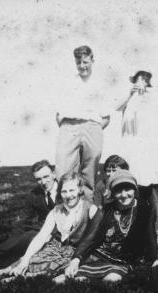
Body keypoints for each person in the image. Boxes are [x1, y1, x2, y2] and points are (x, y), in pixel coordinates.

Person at [0, 172, 102, 284]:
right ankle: (5, 270)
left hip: (77, 251)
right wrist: (26, 259)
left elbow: (90, 239)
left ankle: (19, 279)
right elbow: (42, 236)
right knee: (31, 259)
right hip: (57, 247)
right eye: (64, 191)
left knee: (51, 266)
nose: (68, 195)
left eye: (72, 190)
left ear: (80, 190)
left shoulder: (90, 209)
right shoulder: (56, 210)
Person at [55, 170, 154, 284]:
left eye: (128, 189)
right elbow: (91, 236)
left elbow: (151, 237)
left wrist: (155, 258)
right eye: (118, 191)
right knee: (74, 279)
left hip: (124, 259)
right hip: (100, 255)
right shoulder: (106, 210)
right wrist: (76, 259)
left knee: (111, 279)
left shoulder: (144, 209)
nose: (123, 195)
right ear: (112, 193)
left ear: (135, 190)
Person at [55, 45, 111, 201]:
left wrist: (94, 130)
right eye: (78, 62)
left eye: (85, 62)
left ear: (93, 60)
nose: (82, 66)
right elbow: (58, 114)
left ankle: (86, 211)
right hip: (69, 126)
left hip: (92, 126)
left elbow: (107, 117)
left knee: (89, 170)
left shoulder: (101, 83)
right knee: (64, 170)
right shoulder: (68, 82)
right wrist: (69, 127)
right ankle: (64, 208)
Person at [116, 70, 158, 209]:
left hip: (150, 147)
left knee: (151, 184)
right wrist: (129, 94)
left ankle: (156, 218)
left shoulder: (153, 99)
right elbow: (116, 107)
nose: (142, 83)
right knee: (133, 181)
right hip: (132, 146)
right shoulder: (129, 99)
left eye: (145, 80)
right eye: (139, 80)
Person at [0, 160, 60, 257]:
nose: (43, 182)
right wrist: (14, 238)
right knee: (27, 237)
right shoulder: (34, 194)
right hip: (40, 229)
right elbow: (25, 218)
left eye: (46, 177)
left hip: (62, 231)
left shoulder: (65, 190)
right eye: (38, 179)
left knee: (30, 239)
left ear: (54, 174)